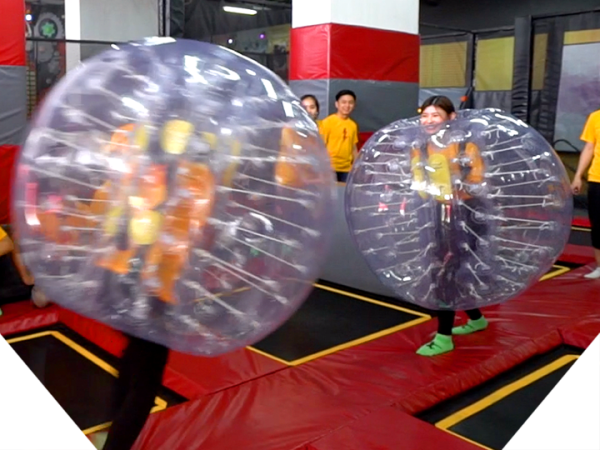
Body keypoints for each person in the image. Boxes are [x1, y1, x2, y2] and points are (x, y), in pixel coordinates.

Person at [412, 96, 489, 357]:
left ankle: (444, 337)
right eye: (425, 115)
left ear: (451, 118)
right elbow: (419, 182)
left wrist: (457, 185)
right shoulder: (421, 148)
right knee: (441, 268)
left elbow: (478, 180)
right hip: (436, 213)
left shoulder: (465, 146)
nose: (429, 120)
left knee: (448, 271)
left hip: (467, 214)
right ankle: (476, 318)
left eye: (435, 115)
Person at [572, 109, 600, 279]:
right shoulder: (595, 117)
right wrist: (578, 176)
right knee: (597, 224)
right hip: (597, 179)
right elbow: (589, 147)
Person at [319, 90, 359, 182]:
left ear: (354, 105)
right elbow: (320, 146)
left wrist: (356, 165)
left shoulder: (353, 125)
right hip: (330, 168)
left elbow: (353, 148)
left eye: (350, 103)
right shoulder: (327, 122)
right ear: (337, 104)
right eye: (343, 102)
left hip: (347, 169)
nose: (347, 105)